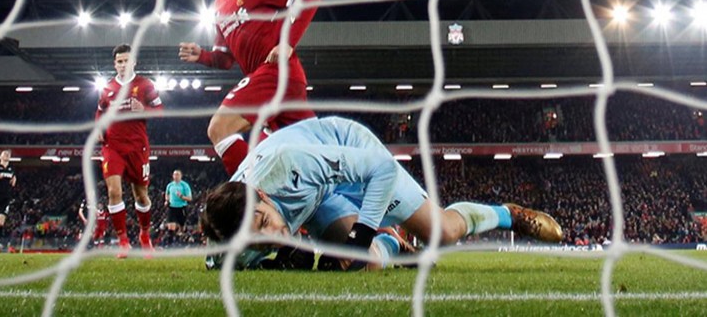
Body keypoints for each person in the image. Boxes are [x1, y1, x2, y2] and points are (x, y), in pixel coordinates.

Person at [200, 116, 564, 271]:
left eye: (263, 221)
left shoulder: (288, 164)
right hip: (319, 198)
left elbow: (382, 169)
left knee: (442, 232)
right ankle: (393, 244)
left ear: (261, 194)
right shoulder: (230, 244)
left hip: (347, 152)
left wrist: (359, 237)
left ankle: (510, 214)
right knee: (369, 263)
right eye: (255, 238)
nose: (271, 235)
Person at [179, 0, 321, 175]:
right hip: (275, 85)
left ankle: (252, 202)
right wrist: (200, 55)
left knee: (219, 129)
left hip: (275, 72)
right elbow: (224, 60)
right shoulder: (219, 6)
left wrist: (287, 42)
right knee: (310, 162)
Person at [95, 43, 163, 257]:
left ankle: (144, 235)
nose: (123, 65)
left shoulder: (145, 85)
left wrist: (144, 109)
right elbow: (99, 112)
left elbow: (160, 112)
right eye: (120, 61)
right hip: (112, 147)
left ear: (134, 61)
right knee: (114, 192)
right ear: (115, 64)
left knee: (141, 196)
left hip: (137, 147)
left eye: (127, 60)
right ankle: (123, 241)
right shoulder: (107, 89)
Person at [163, 169, 193, 247]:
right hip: (172, 207)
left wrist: (182, 197)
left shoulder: (185, 185)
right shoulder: (170, 185)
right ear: (173, 176)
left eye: (178, 175)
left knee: (182, 227)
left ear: (181, 176)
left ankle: (183, 240)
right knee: (171, 227)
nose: (176, 176)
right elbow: (167, 194)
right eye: (174, 175)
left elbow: (190, 198)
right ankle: (170, 246)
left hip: (181, 208)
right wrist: (166, 200)